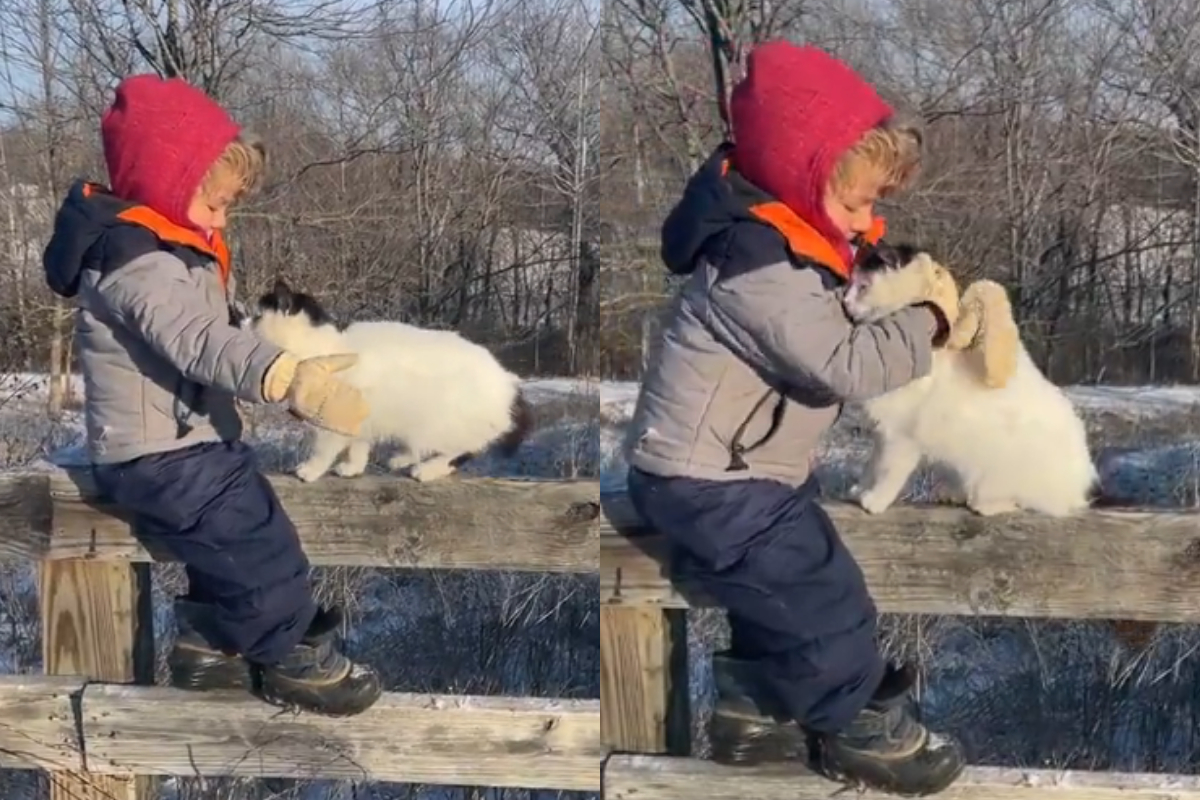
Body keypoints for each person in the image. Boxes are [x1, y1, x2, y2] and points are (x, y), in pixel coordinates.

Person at [623, 41, 966, 795]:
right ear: (796, 174)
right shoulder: (756, 260)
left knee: (785, 584)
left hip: (740, 470)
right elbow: (837, 361)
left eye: (875, 202)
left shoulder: (791, 247)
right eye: (854, 202)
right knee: (819, 592)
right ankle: (859, 725)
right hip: (703, 477)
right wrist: (928, 325)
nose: (866, 219)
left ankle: (756, 712)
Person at [42, 73, 382, 717]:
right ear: (165, 182)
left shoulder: (166, 250)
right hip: (160, 453)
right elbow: (198, 339)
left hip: (183, 442)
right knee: (259, 546)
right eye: (216, 203)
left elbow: (208, 345)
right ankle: (293, 658)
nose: (223, 220)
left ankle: (209, 647)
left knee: (233, 538)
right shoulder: (136, 259)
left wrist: (284, 369)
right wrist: (282, 375)